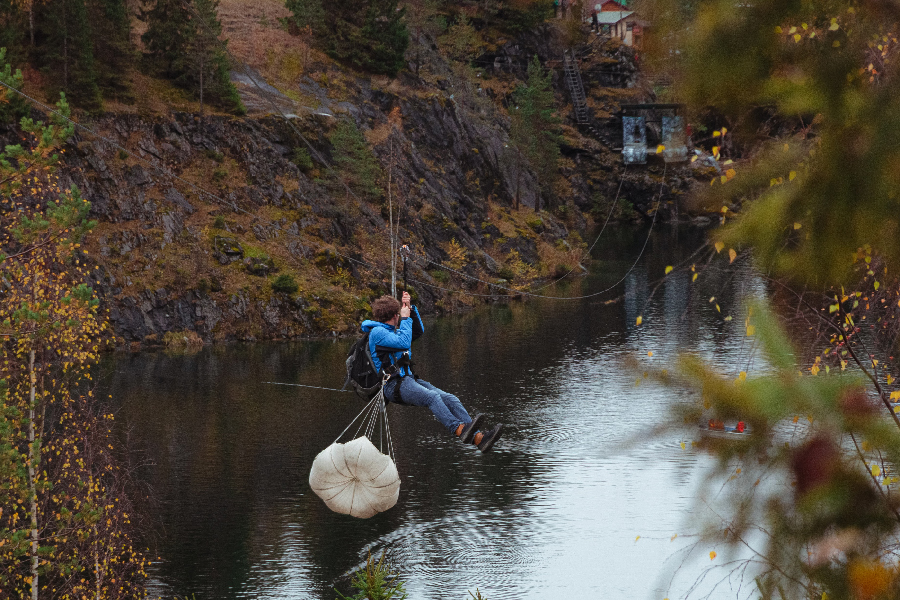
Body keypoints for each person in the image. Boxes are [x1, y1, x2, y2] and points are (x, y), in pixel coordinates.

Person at [361, 292, 504, 452]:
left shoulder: (392, 330)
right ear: (395, 315)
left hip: (408, 380)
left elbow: (418, 332)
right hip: (393, 386)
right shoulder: (378, 333)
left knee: (451, 399)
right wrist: (406, 319)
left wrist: (411, 309)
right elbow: (404, 342)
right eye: (399, 315)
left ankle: (479, 439)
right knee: (432, 397)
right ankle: (459, 429)